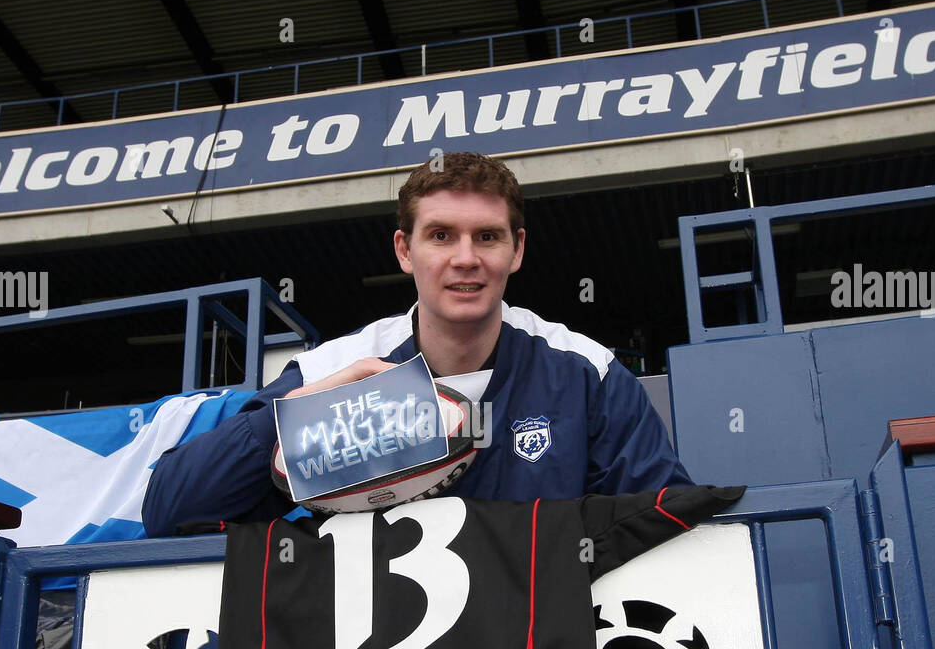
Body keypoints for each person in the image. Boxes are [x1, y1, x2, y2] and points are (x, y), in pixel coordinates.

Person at [142, 152, 691, 536]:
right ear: (405, 250)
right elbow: (171, 508)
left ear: (517, 249)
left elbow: (665, 519)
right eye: (441, 235)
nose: (466, 258)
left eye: (488, 236)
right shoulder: (334, 367)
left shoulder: (584, 371)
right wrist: (293, 416)